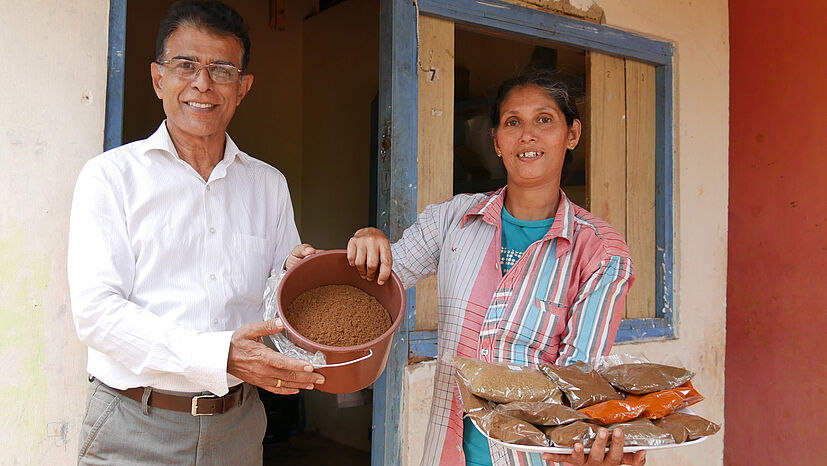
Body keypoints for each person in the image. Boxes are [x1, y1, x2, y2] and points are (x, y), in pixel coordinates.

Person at [288, 70, 645, 466]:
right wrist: (368, 240)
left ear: (572, 134)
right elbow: (376, 281)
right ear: (496, 141)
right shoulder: (455, 218)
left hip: (537, 458)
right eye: (513, 122)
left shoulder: (600, 252)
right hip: (448, 452)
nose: (528, 135)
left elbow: (581, 379)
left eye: (544, 120)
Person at [67, 1, 323, 464]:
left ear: (242, 88)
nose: (202, 84)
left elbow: (280, 303)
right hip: (134, 423)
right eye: (185, 65)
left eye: (221, 69)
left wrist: (298, 275)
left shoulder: (267, 185)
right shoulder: (110, 177)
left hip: (238, 426)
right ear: (157, 77)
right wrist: (219, 354)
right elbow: (96, 313)